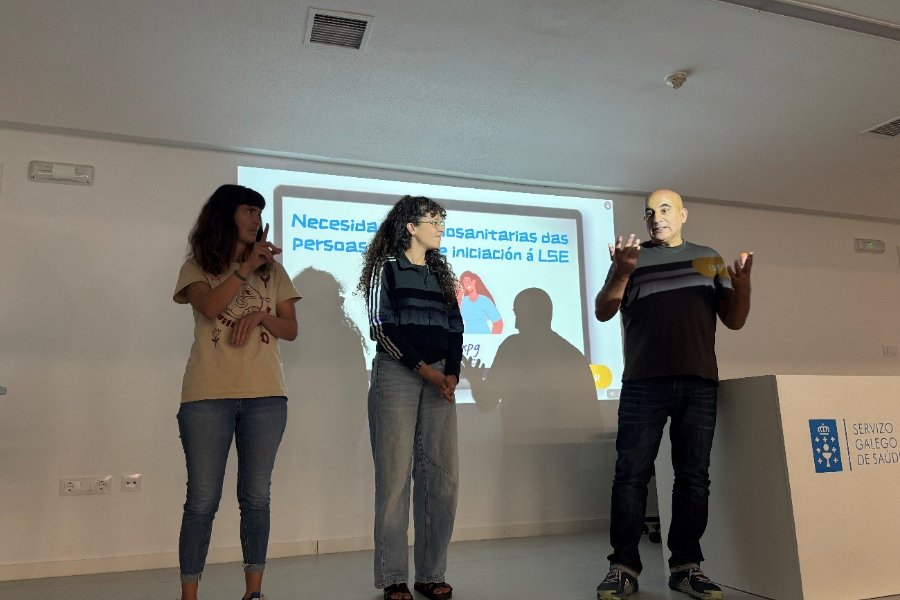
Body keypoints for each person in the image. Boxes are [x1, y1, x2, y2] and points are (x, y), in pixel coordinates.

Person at [594, 189, 752, 600]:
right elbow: (603, 310)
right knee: (630, 476)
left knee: (693, 477)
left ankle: (686, 567)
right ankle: (622, 568)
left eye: (665, 209)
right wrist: (621, 273)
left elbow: (734, 320)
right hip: (643, 382)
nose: (656, 217)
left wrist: (744, 286)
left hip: (698, 382)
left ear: (683, 214)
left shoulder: (708, 258)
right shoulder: (632, 259)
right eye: (649, 212)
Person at [172, 184, 301, 600]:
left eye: (259, 212)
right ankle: (189, 594)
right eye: (249, 210)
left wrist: (262, 314)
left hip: (267, 397)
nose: (256, 219)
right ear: (225, 214)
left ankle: (254, 592)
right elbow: (210, 307)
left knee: (256, 498)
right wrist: (245, 268)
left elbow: (290, 329)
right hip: (207, 397)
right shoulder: (198, 266)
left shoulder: (273, 272)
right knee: (202, 500)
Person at [358, 195, 463, 600]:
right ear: (410, 227)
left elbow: (455, 327)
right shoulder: (385, 268)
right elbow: (381, 327)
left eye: (441, 221)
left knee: (442, 477)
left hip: (439, 378)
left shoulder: (441, 275)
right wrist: (424, 369)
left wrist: (451, 373)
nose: (440, 228)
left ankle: (431, 574)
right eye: (432, 221)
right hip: (398, 375)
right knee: (394, 478)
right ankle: (393, 577)